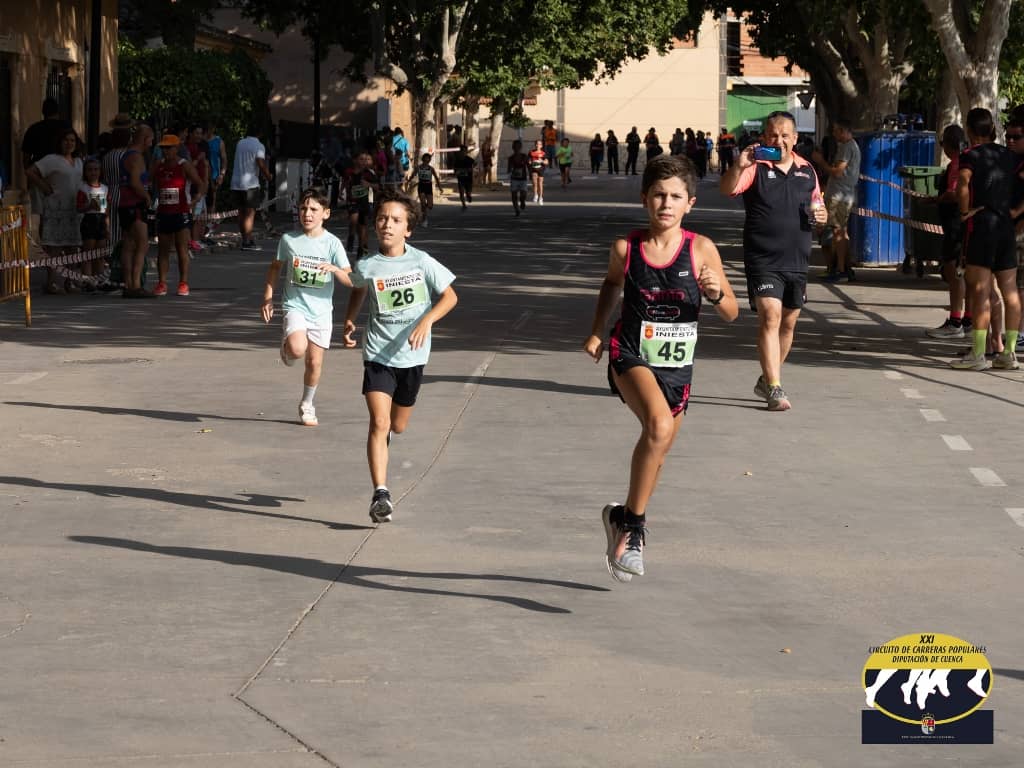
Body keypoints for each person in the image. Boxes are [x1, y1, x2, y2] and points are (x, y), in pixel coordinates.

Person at [583, 155, 738, 581]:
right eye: (658, 195)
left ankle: (621, 517)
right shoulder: (626, 248)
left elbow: (731, 312)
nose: (666, 204)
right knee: (659, 426)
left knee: (659, 447)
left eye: (675, 196)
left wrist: (714, 293)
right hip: (630, 353)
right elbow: (612, 283)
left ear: (690, 203)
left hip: (677, 367)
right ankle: (633, 529)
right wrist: (597, 332)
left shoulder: (701, 249)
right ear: (644, 199)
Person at [342, 190, 458, 523]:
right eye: (382, 219)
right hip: (378, 353)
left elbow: (450, 297)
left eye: (395, 220)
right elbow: (358, 287)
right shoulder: (368, 264)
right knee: (378, 423)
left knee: (397, 425)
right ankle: (380, 494)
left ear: (408, 229)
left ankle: (388, 435)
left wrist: (427, 320)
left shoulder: (422, 261)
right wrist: (350, 320)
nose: (387, 225)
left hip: (413, 356)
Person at [720, 110, 827, 411]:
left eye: (784, 135)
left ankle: (767, 378)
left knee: (788, 324)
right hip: (762, 258)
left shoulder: (807, 170)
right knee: (770, 316)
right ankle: (775, 388)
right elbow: (727, 189)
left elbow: (819, 206)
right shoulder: (755, 167)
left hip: (797, 259)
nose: (778, 140)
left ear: (795, 138)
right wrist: (738, 165)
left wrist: (822, 215)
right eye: (772, 135)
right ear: (764, 138)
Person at [262, 188, 353, 427]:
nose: (307, 214)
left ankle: (307, 403)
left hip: (321, 311)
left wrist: (336, 269)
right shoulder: (289, 240)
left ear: (326, 213)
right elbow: (275, 268)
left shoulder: (332, 243)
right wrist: (268, 298)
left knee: (314, 363)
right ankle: (288, 348)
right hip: (295, 305)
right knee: (297, 349)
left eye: (313, 209)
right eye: (303, 208)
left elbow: (351, 280)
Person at [950, 107, 1021, 371]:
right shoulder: (1010, 156)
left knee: (980, 291)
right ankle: (1009, 353)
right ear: (992, 129)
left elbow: (963, 184)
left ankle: (978, 354)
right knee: (1010, 291)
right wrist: (1016, 211)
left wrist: (964, 212)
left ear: (969, 130)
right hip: (1006, 228)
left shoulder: (970, 155)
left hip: (981, 226)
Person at [26, 128, 84, 294]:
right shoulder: (51, 159)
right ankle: (51, 282)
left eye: (72, 140)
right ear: (59, 142)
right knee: (54, 248)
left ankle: (70, 281)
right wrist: (44, 186)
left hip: (74, 210)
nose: (69, 143)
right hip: (55, 209)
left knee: (73, 247)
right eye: (66, 140)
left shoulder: (79, 161)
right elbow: (30, 171)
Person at [926, 125, 971, 338]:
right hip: (966, 225)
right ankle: (968, 319)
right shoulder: (970, 161)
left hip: (955, 225)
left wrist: (938, 199)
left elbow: (954, 193)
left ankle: (955, 321)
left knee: (955, 274)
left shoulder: (957, 164)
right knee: (967, 274)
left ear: (948, 145)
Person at [153, 133, 205, 297]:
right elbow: (151, 183)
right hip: (163, 212)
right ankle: (162, 283)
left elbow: (200, 184)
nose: (165, 151)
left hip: (181, 212)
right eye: (163, 148)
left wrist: (194, 201)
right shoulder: (158, 165)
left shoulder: (184, 165)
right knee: (163, 249)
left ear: (176, 148)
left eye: (169, 148)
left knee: (181, 248)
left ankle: (183, 283)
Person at [816, 120, 861, 282]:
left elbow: (837, 172)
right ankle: (844, 267)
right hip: (842, 194)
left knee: (837, 231)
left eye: (836, 130)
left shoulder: (847, 147)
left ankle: (841, 269)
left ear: (843, 131)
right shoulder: (849, 147)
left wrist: (821, 161)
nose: (834, 134)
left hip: (839, 195)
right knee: (841, 231)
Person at [116, 123, 155, 298]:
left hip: (124, 204)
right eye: (151, 139)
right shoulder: (136, 156)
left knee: (129, 244)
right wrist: (146, 196)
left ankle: (128, 284)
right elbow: (134, 182)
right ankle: (136, 284)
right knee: (142, 243)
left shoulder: (126, 154)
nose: (151, 143)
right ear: (144, 139)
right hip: (135, 205)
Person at [231, 131, 271, 251]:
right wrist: (269, 176)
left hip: (236, 182)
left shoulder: (240, 143)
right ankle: (247, 242)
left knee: (241, 212)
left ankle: (245, 238)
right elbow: (260, 163)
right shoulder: (259, 145)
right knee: (249, 213)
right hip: (250, 184)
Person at [75, 157, 110, 290]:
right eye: (90, 170)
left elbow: (106, 209)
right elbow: (78, 208)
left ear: (100, 171)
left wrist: (107, 226)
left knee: (100, 253)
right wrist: (89, 206)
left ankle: (99, 279)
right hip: (89, 220)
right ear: (85, 172)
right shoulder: (83, 188)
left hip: (101, 221)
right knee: (88, 253)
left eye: (96, 169)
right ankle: (88, 280)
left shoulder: (105, 188)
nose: (93, 172)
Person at [1007, 117, 1024, 354]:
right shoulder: (1013, 162)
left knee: (1020, 285)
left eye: (1016, 137)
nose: (1010, 141)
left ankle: (1020, 333)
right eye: (1008, 136)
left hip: (1020, 231)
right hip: (1011, 230)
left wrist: (1018, 215)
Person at [345, 152, 380, 258]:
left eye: (366, 159)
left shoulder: (369, 173)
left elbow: (378, 186)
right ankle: (351, 237)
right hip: (353, 202)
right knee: (353, 220)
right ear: (355, 160)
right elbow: (346, 183)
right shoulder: (349, 172)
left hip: (365, 203)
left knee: (362, 227)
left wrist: (368, 184)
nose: (364, 162)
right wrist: (344, 191)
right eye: (361, 159)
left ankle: (361, 248)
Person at [204, 122, 227, 229]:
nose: (209, 130)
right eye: (207, 128)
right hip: (200, 175)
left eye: (211, 128)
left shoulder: (219, 141)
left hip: (213, 176)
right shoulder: (200, 140)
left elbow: (224, 159)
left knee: (211, 201)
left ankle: (209, 226)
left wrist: (221, 174)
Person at [414, 153, 443, 227]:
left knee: (430, 206)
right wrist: (409, 181)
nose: (426, 160)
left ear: (429, 160)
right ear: (423, 159)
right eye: (425, 159)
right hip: (421, 185)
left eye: (428, 159)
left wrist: (440, 187)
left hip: (428, 186)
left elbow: (436, 178)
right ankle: (424, 219)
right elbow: (413, 175)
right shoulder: (418, 167)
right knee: (423, 204)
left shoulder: (431, 168)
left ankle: (423, 211)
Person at [507, 139, 530, 216]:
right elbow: (508, 169)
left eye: (518, 147)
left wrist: (530, 174)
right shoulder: (511, 158)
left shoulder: (524, 156)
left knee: (523, 194)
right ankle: (516, 209)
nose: (517, 149)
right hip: (514, 179)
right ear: (513, 148)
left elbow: (528, 165)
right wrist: (511, 170)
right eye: (515, 147)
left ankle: (522, 201)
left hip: (523, 178)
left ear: (520, 147)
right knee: (514, 195)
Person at [452, 144, 475, 209]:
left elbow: (475, 164)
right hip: (461, 178)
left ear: (466, 151)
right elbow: (454, 168)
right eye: (462, 151)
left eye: (465, 151)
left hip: (469, 178)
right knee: (461, 192)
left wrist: (472, 169)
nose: (463, 152)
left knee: (468, 191)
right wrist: (456, 172)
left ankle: (468, 195)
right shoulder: (457, 160)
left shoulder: (469, 159)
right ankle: (463, 204)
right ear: (460, 151)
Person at [528, 138, 547, 204]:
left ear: (541, 146)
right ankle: (535, 195)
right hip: (533, 169)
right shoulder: (531, 152)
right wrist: (530, 162)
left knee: (540, 183)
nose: (537, 145)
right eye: (536, 144)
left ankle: (541, 197)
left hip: (541, 169)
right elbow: (529, 160)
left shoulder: (543, 153)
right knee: (534, 183)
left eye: (539, 144)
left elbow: (546, 162)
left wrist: (542, 161)